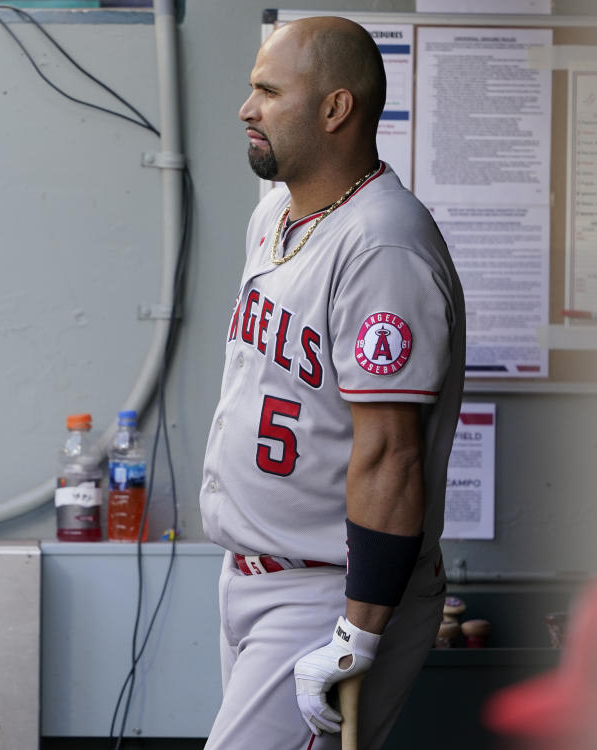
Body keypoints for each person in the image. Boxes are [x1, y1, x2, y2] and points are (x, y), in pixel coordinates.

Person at [200, 16, 466, 750]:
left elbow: (392, 455)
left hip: (326, 591)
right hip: (255, 574)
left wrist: (358, 633)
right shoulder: (275, 217)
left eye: (267, 91)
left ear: (335, 109)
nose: (247, 109)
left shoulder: (384, 244)